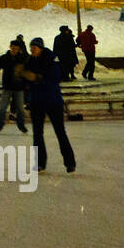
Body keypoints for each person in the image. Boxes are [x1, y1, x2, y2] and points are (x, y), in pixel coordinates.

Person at [23, 37, 77, 173]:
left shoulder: (52, 59)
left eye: (34, 48)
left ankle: (70, 162)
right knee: (37, 134)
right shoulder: (30, 61)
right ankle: (40, 163)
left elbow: (55, 77)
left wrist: (37, 78)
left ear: (40, 48)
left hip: (53, 101)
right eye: (31, 48)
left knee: (60, 132)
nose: (32, 51)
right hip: (37, 103)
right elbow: (26, 80)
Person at [0, 39, 29, 134]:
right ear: (10, 47)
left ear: (19, 49)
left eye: (16, 48)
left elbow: (27, 72)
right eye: (13, 48)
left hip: (18, 88)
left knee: (20, 108)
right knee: (2, 107)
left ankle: (21, 126)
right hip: (7, 87)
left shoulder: (22, 59)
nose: (14, 50)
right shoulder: (4, 58)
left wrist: (26, 83)